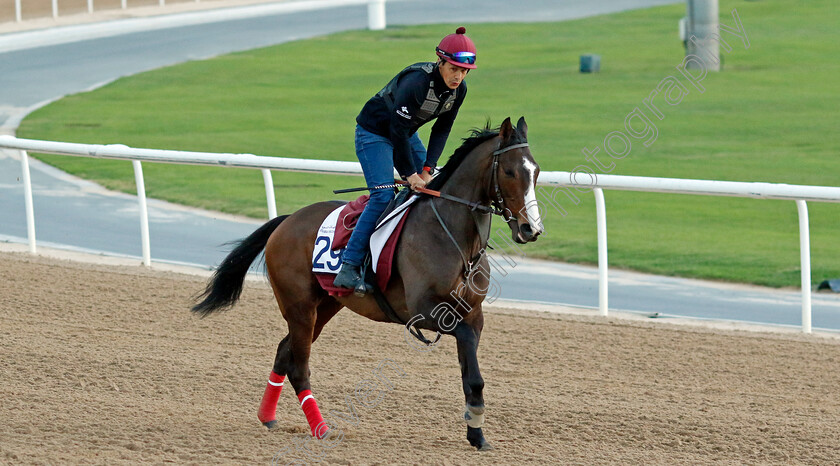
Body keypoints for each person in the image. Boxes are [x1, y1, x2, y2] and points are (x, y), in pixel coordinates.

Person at [333, 26, 478, 294]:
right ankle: (349, 266)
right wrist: (411, 173)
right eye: (454, 68)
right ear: (440, 61)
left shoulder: (460, 91)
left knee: (435, 187)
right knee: (382, 196)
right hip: (374, 133)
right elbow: (396, 132)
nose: (459, 76)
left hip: (405, 133)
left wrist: (427, 169)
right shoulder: (416, 83)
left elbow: (441, 130)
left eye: (464, 70)